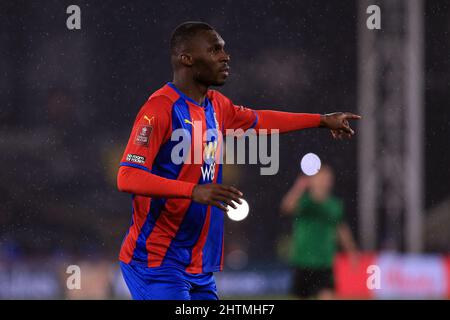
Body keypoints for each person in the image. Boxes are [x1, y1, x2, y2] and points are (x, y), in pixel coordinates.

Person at [116, 21, 361, 300]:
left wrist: (320, 120)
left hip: (198, 266)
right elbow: (127, 176)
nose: (225, 56)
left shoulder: (217, 105)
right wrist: (193, 190)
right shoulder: (159, 109)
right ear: (186, 58)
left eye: (224, 49)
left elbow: (261, 120)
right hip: (156, 261)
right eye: (214, 50)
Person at [280, 165, 359, 300]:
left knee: (327, 295)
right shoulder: (304, 202)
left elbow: (341, 229)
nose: (325, 182)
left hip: (325, 261)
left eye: (327, 179)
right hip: (303, 260)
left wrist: (351, 251)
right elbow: (286, 208)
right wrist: (298, 187)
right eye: (321, 178)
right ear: (312, 181)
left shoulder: (334, 205)